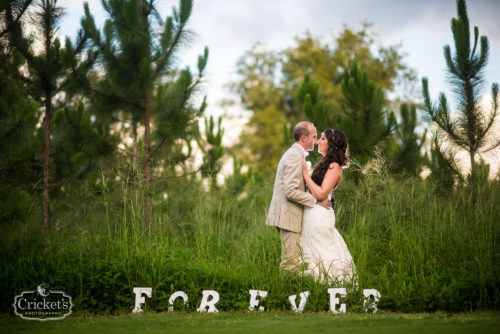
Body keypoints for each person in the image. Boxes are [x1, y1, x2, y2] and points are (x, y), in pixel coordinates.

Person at [266, 121, 331, 271]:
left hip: (290, 214)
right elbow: (290, 190)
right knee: (290, 263)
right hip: (289, 215)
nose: (316, 140)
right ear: (303, 138)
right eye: (314, 137)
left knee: (295, 260)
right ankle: (285, 293)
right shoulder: (294, 156)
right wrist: (316, 201)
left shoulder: (296, 154)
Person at [299, 128, 355, 283]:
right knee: (311, 253)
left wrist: (305, 174)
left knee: (324, 252)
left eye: (323, 138)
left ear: (332, 144)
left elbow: (321, 194)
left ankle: (334, 286)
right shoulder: (325, 164)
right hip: (312, 212)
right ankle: (314, 287)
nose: (318, 141)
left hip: (319, 216)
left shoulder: (334, 166)